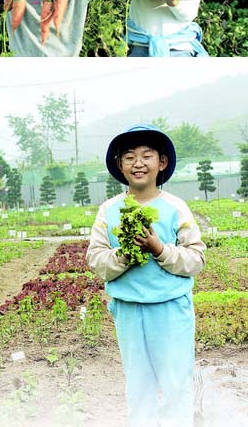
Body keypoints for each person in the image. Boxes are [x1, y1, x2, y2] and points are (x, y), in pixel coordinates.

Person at [86, 124, 206, 426]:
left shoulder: (175, 207)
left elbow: (196, 258)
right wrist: (124, 254)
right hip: (128, 310)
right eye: (129, 157)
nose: (138, 163)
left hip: (170, 310)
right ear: (119, 165)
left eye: (147, 156)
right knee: (138, 387)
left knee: (175, 384)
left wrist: (159, 249)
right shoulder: (109, 210)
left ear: (161, 163)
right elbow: (96, 259)